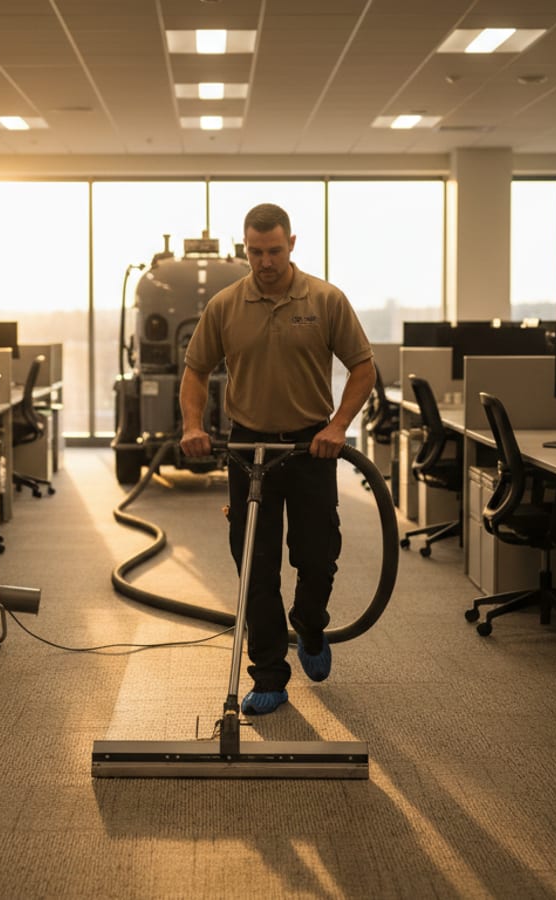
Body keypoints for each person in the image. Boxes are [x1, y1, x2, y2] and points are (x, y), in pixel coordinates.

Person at [179, 203, 376, 715]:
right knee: (254, 564)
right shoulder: (225, 305)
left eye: (273, 250)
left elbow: (363, 368)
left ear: (292, 243)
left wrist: (337, 427)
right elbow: (196, 371)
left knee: (317, 555)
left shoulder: (325, 299)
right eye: (255, 251)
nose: (264, 262)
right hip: (248, 450)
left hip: (311, 446)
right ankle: (268, 672)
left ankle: (310, 625)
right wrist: (193, 426)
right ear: (245, 248)